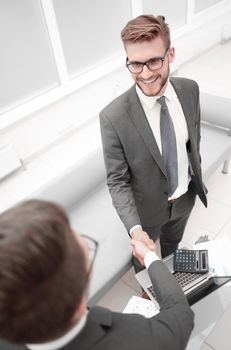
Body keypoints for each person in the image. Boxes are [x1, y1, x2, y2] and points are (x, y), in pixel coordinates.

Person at [0, 199, 194, 350]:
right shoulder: (145, 340)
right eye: (86, 248)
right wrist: (150, 257)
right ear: (81, 288)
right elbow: (180, 313)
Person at [99, 14, 207, 269]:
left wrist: (193, 180)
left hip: (185, 198)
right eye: (135, 64)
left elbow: (194, 140)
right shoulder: (112, 117)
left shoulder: (190, 90)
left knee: (173, 247)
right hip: (145, 214)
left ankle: (173, 270)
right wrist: (135, 230)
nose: (145, 74)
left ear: (170, 54)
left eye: (154, 61)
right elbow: (117, 180)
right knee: (145, 265)